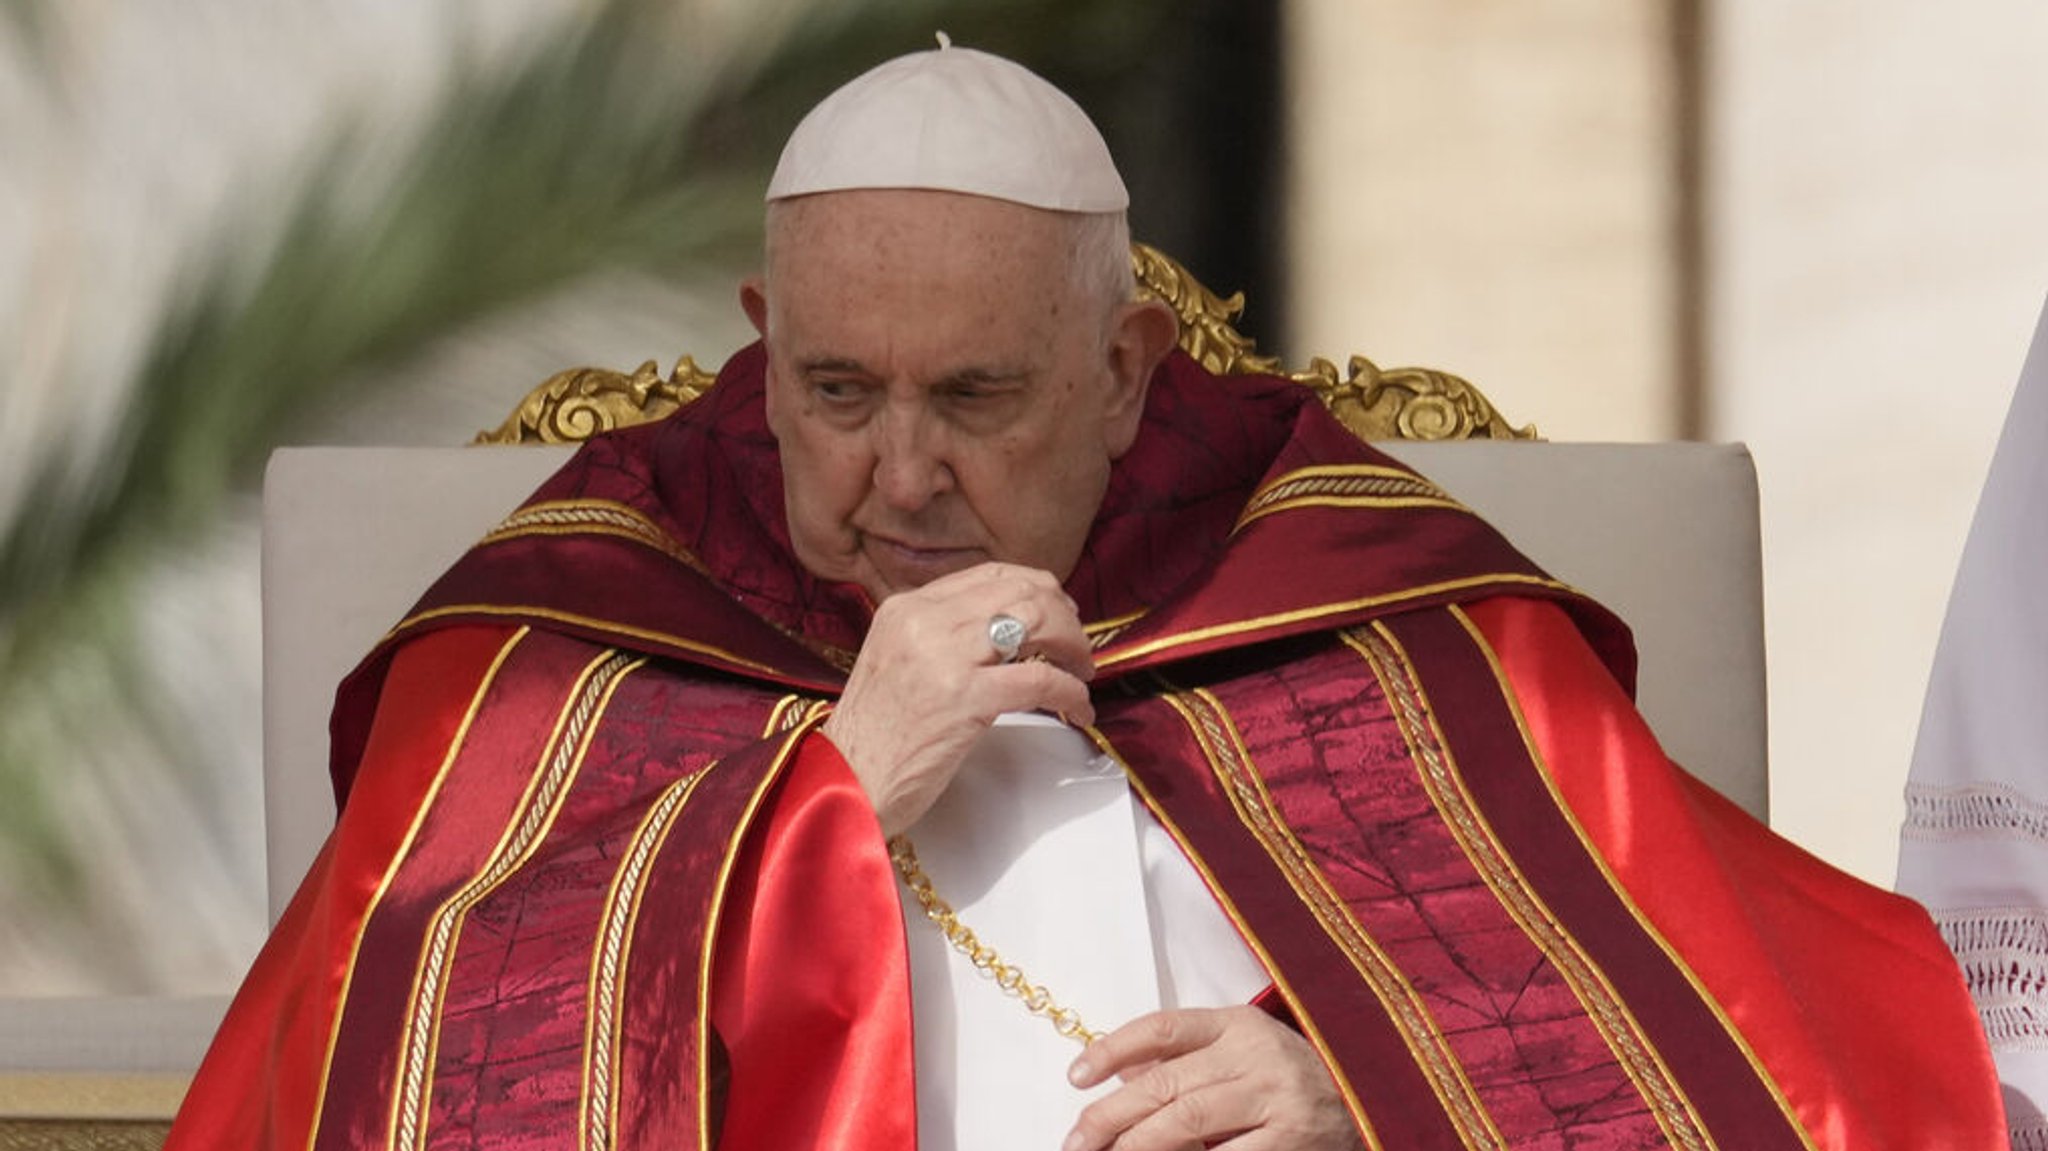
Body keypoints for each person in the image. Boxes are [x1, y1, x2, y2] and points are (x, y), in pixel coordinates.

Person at [169, 40, 2002, 1151]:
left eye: (976, 398)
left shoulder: (1364, 593)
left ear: (1127, 371)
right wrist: (829, 796)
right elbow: (393, 1080)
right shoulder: (568, 639)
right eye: (833, 393)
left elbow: (1735, 1050)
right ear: (759, 347)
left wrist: (1367, 1098)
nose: (897, 474)